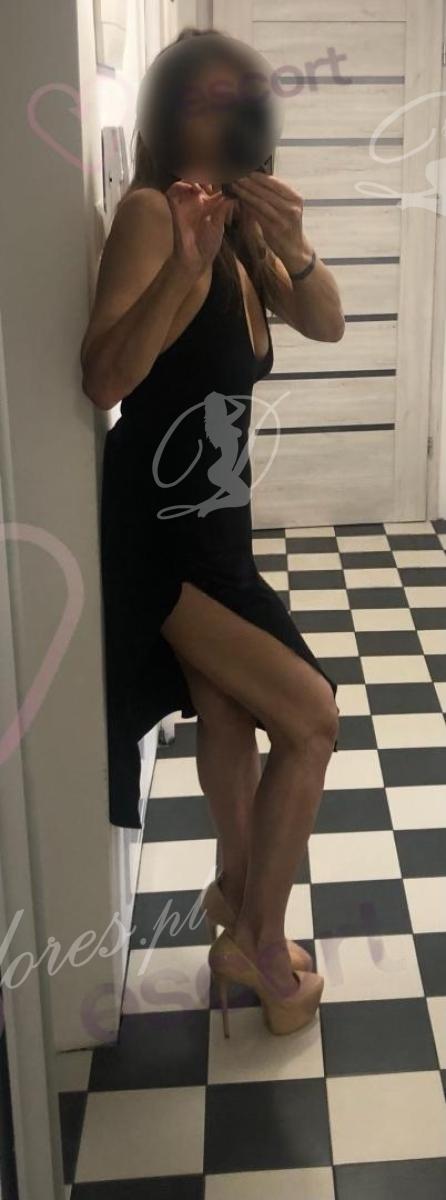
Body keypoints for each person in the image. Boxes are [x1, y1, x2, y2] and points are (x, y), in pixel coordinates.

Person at [80, 26, 345, 1037]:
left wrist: (291, 241)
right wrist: (180, 274)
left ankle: (235, 903)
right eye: (205, 102)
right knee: (310, 718)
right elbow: (104, 376)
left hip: (217, 528)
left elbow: (325, 322)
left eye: (239, 103)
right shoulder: (154, 213)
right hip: (161, 535)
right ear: (168, 117)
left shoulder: (237, 226)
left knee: (230, 715)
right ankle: (258, 946)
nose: (227, 120)